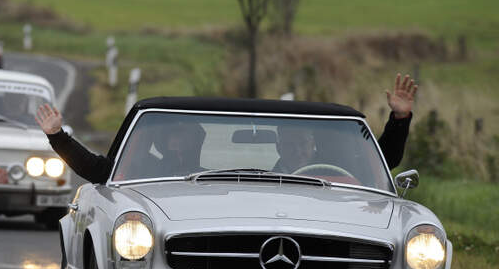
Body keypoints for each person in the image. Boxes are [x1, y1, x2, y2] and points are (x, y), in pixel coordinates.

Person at [35, 73, 417, 184]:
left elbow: (382, 162)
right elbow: (102, 172)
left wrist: (399, 120)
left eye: (305, 140)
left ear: (315, 143)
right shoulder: (156, 170)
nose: (299, 147)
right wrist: (58, 137)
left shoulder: (337, 168)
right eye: (293, 139)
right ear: (279, 143)